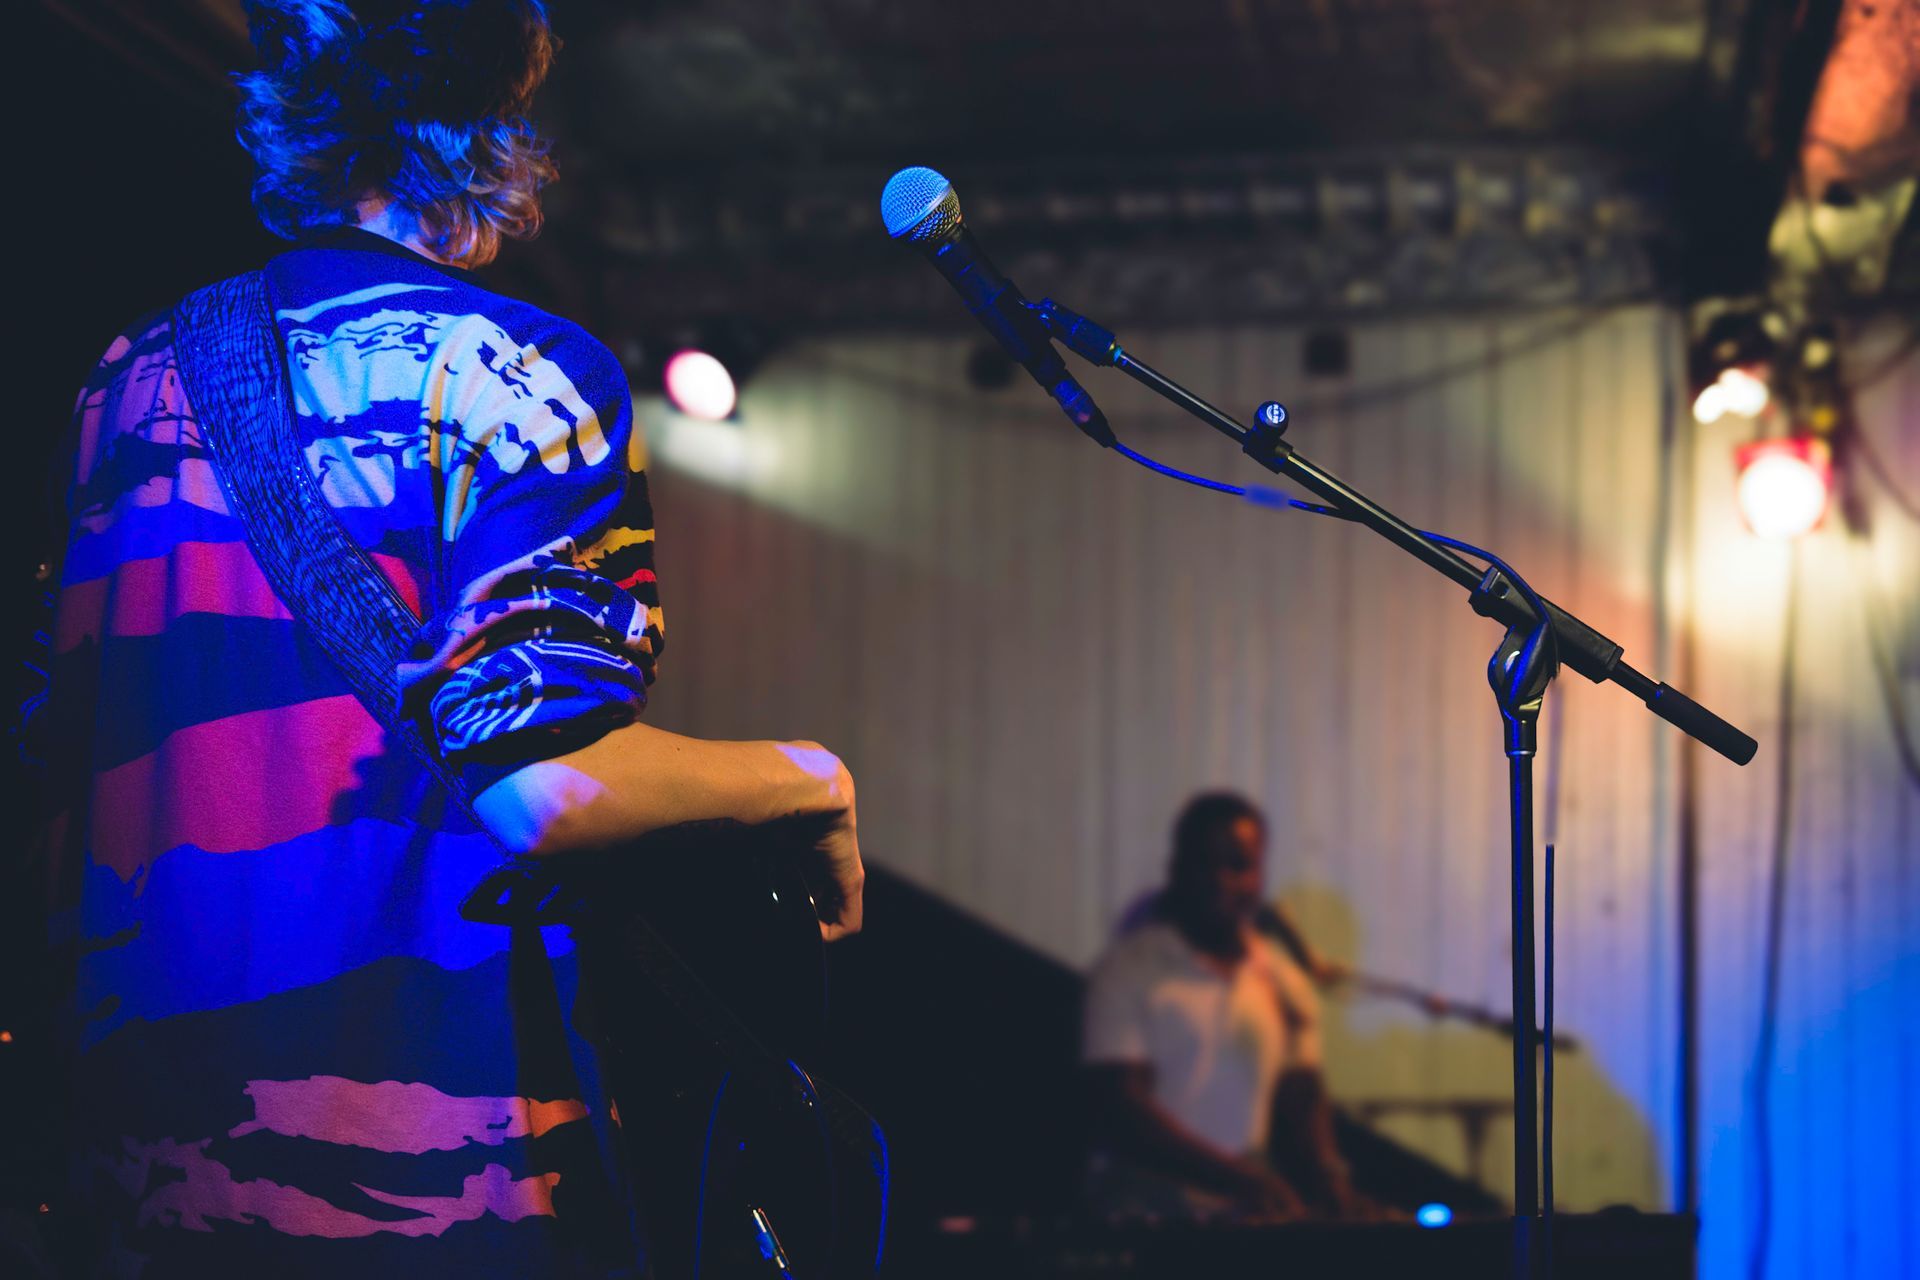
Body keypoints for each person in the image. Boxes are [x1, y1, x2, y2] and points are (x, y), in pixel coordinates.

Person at [33, 2, 862, 1275]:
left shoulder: (125, 381)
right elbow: (547, 784)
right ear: (490, 116)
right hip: (423, 1188)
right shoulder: (514, 371)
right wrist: (807, 778)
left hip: (128, 1191)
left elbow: (54, 764)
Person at [1081, 792, 1356, 1221]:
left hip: (1240, 1214)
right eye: (1204, 863)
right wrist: (1235, 1178)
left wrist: (1333, 1184)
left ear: (1260, 874)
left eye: (1239, 865)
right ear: (1176, 869)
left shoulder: (1284, 981)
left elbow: (1301, 1098)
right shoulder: (1128, 969)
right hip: (1143, 1213)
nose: (1221, 879)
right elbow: (1120, 1108)